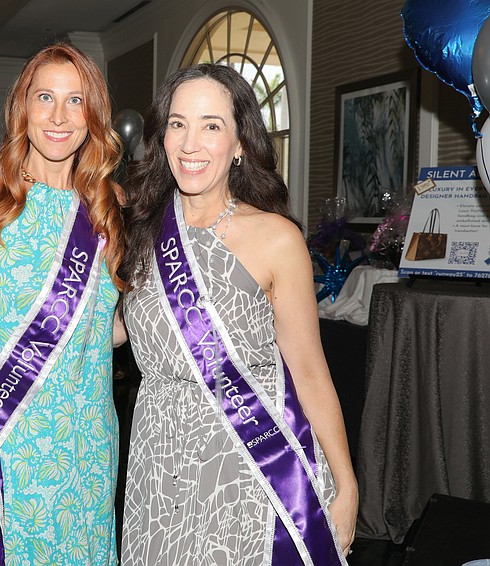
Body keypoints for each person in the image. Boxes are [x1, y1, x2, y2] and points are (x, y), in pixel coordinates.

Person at [118, 64, 357, 565]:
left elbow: (310, 372)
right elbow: (107, 330)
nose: (190, 143)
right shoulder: (141, 229)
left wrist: (346, 481)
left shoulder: (276, 238)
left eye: (211, 125)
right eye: (178, 123)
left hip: (246, 462)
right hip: (158, 459)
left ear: (240, 143)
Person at [0, 42, 125, 565]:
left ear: (93, 114)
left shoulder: (110, 203)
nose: (59, 117)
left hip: (90, 437)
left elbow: (108, 325)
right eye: (45, 98)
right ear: (22, 107)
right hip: (11, 434)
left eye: (75, 101)